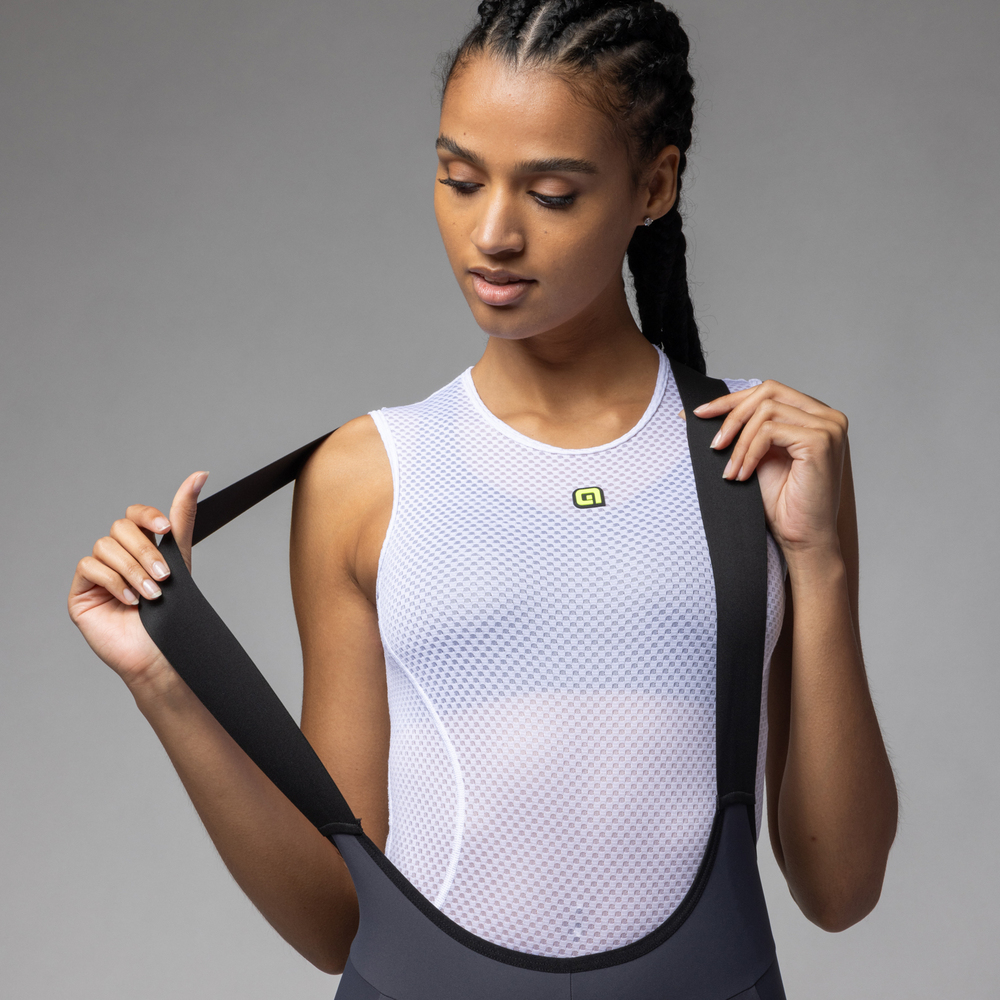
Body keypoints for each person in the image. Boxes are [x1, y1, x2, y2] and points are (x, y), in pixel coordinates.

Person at [68, 0, 898, 988]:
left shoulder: (759, 461)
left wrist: (818, 559)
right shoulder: (365, 477)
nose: (491, 232)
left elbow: (840, 889)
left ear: (655, 185)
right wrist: (162, 683)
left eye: (549, 193)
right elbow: (339, 919)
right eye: (459, 179)